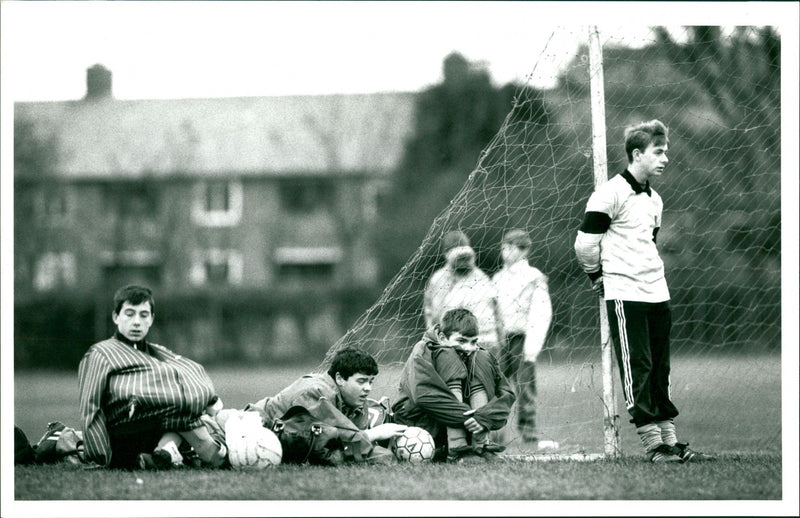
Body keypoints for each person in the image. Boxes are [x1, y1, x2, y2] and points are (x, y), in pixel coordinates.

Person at [574, 119, 714, 463]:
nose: (665, 158)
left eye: (666, 151)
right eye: (659, 151)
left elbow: (649, 243)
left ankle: (671, 440)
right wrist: (597, 277)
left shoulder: (656, 200)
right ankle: (654, 445)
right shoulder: (609, 193)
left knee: (660, 367)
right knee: (639, 365)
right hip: (625, 292)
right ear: (637, 154)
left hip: (657, 291)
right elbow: (585, 244)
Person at [78, 285, 227, 469]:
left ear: (151, 319)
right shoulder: (101, 353)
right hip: (123, 437)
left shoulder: (159, 352)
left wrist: (205, 399)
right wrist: (100, 456)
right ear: (116, 317)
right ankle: (210, 453)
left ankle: (163, 453)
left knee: (182, 404)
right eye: (129, 314)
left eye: (143, 315)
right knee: (180, 408)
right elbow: (90, 408)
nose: (136, 322)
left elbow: (192, 372)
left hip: (157, 429)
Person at [392, 308, 516, 463]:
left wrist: (485, 417)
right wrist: (472, 416)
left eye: (473, 342)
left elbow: (506, 394)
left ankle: (480, 445)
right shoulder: (424, 350)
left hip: (468, 425)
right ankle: (457, 448)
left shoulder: (475, 353)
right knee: (447, 355)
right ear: (443, 337)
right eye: (461, 341)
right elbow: (423, 396)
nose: (468, 348)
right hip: (422, 424)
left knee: (482, 357)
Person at [244, 347, 406, 465]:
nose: (368, 388)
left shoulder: (355, 402)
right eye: (361, 381)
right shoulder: (317, 392)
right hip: (251, 428)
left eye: (371, 382)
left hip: (281, 442)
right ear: (340, 379)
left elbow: (354, 447)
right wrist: (375, 434)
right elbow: (347, 438)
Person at [492, 228, 553, 446]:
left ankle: (529, 433)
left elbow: (541, 312)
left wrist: (531, 348)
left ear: (524, 250)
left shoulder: (533, 277)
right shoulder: (498, 278)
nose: (505, 251)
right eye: (503, 247)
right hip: (499, 340)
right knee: (494, 385)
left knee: (525, 387)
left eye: (510, 247)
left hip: (521, 340)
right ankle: (494, 432)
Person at [424, 230, 503, 352]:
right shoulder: (482, 277)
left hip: (459, 344)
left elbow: (435, 314)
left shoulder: (439, 279)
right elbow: (497, 313)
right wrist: (501, 340)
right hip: (488, 341)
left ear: (446, 254)